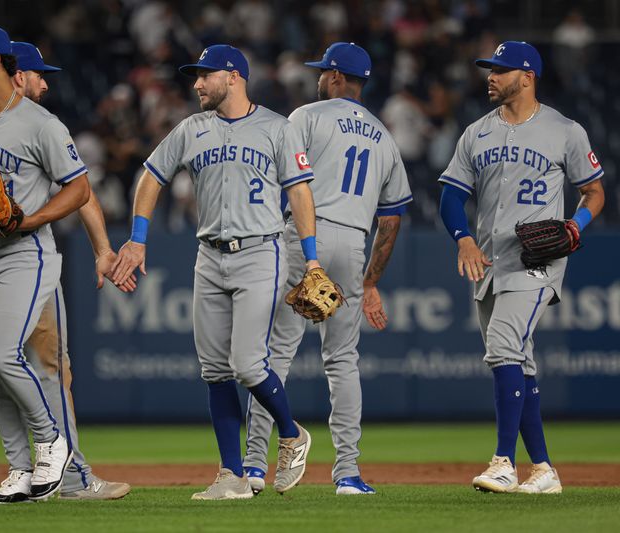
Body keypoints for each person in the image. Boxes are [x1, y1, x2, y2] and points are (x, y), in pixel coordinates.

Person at [112, 44, 319, 500]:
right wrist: (138, 237)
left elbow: (300, 194)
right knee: (214, 371)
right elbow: (151, 176)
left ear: (233, 76)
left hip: (260, 253)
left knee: (247, 364)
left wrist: (313, 258)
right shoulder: (191, 129)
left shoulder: (277, 128)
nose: (197, 83)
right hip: (208, 256)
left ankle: (291, 434)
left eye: (205, 75)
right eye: (196, 76)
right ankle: (232, 476)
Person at [0, 39, 132, 503]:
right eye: (40, 74)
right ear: (18, 73)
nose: (45, 83)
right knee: (6, 365)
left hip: (26, 253)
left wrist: (101, 248)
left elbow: (79, 190)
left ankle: (61, 465)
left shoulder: (41, 125)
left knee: (14, 362)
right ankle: (32, 471)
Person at [243, 43, 411, 496]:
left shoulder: (307, 116)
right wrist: (370, 280)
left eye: (323, 72)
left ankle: (255, 465)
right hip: (354, 243)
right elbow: (391, 220)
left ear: (336, 77)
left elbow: (282, 184)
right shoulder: (384, 135)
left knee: (275, 353)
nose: (319, 77)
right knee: (343, 361)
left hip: (306, 238)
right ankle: (349, 475)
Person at [438, 41, 605, 494]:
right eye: (489, 69)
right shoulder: (476, 132)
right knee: (518, 361)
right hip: (489, 261)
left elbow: (594, 192)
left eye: (500, 69)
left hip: (537, 260)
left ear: (527, 76)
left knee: (503, 346)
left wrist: (576, 225)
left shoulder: (565, 130)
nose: (490, 76)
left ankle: (503, 462)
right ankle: (545, 470)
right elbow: (451, 196)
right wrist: (464, 238)